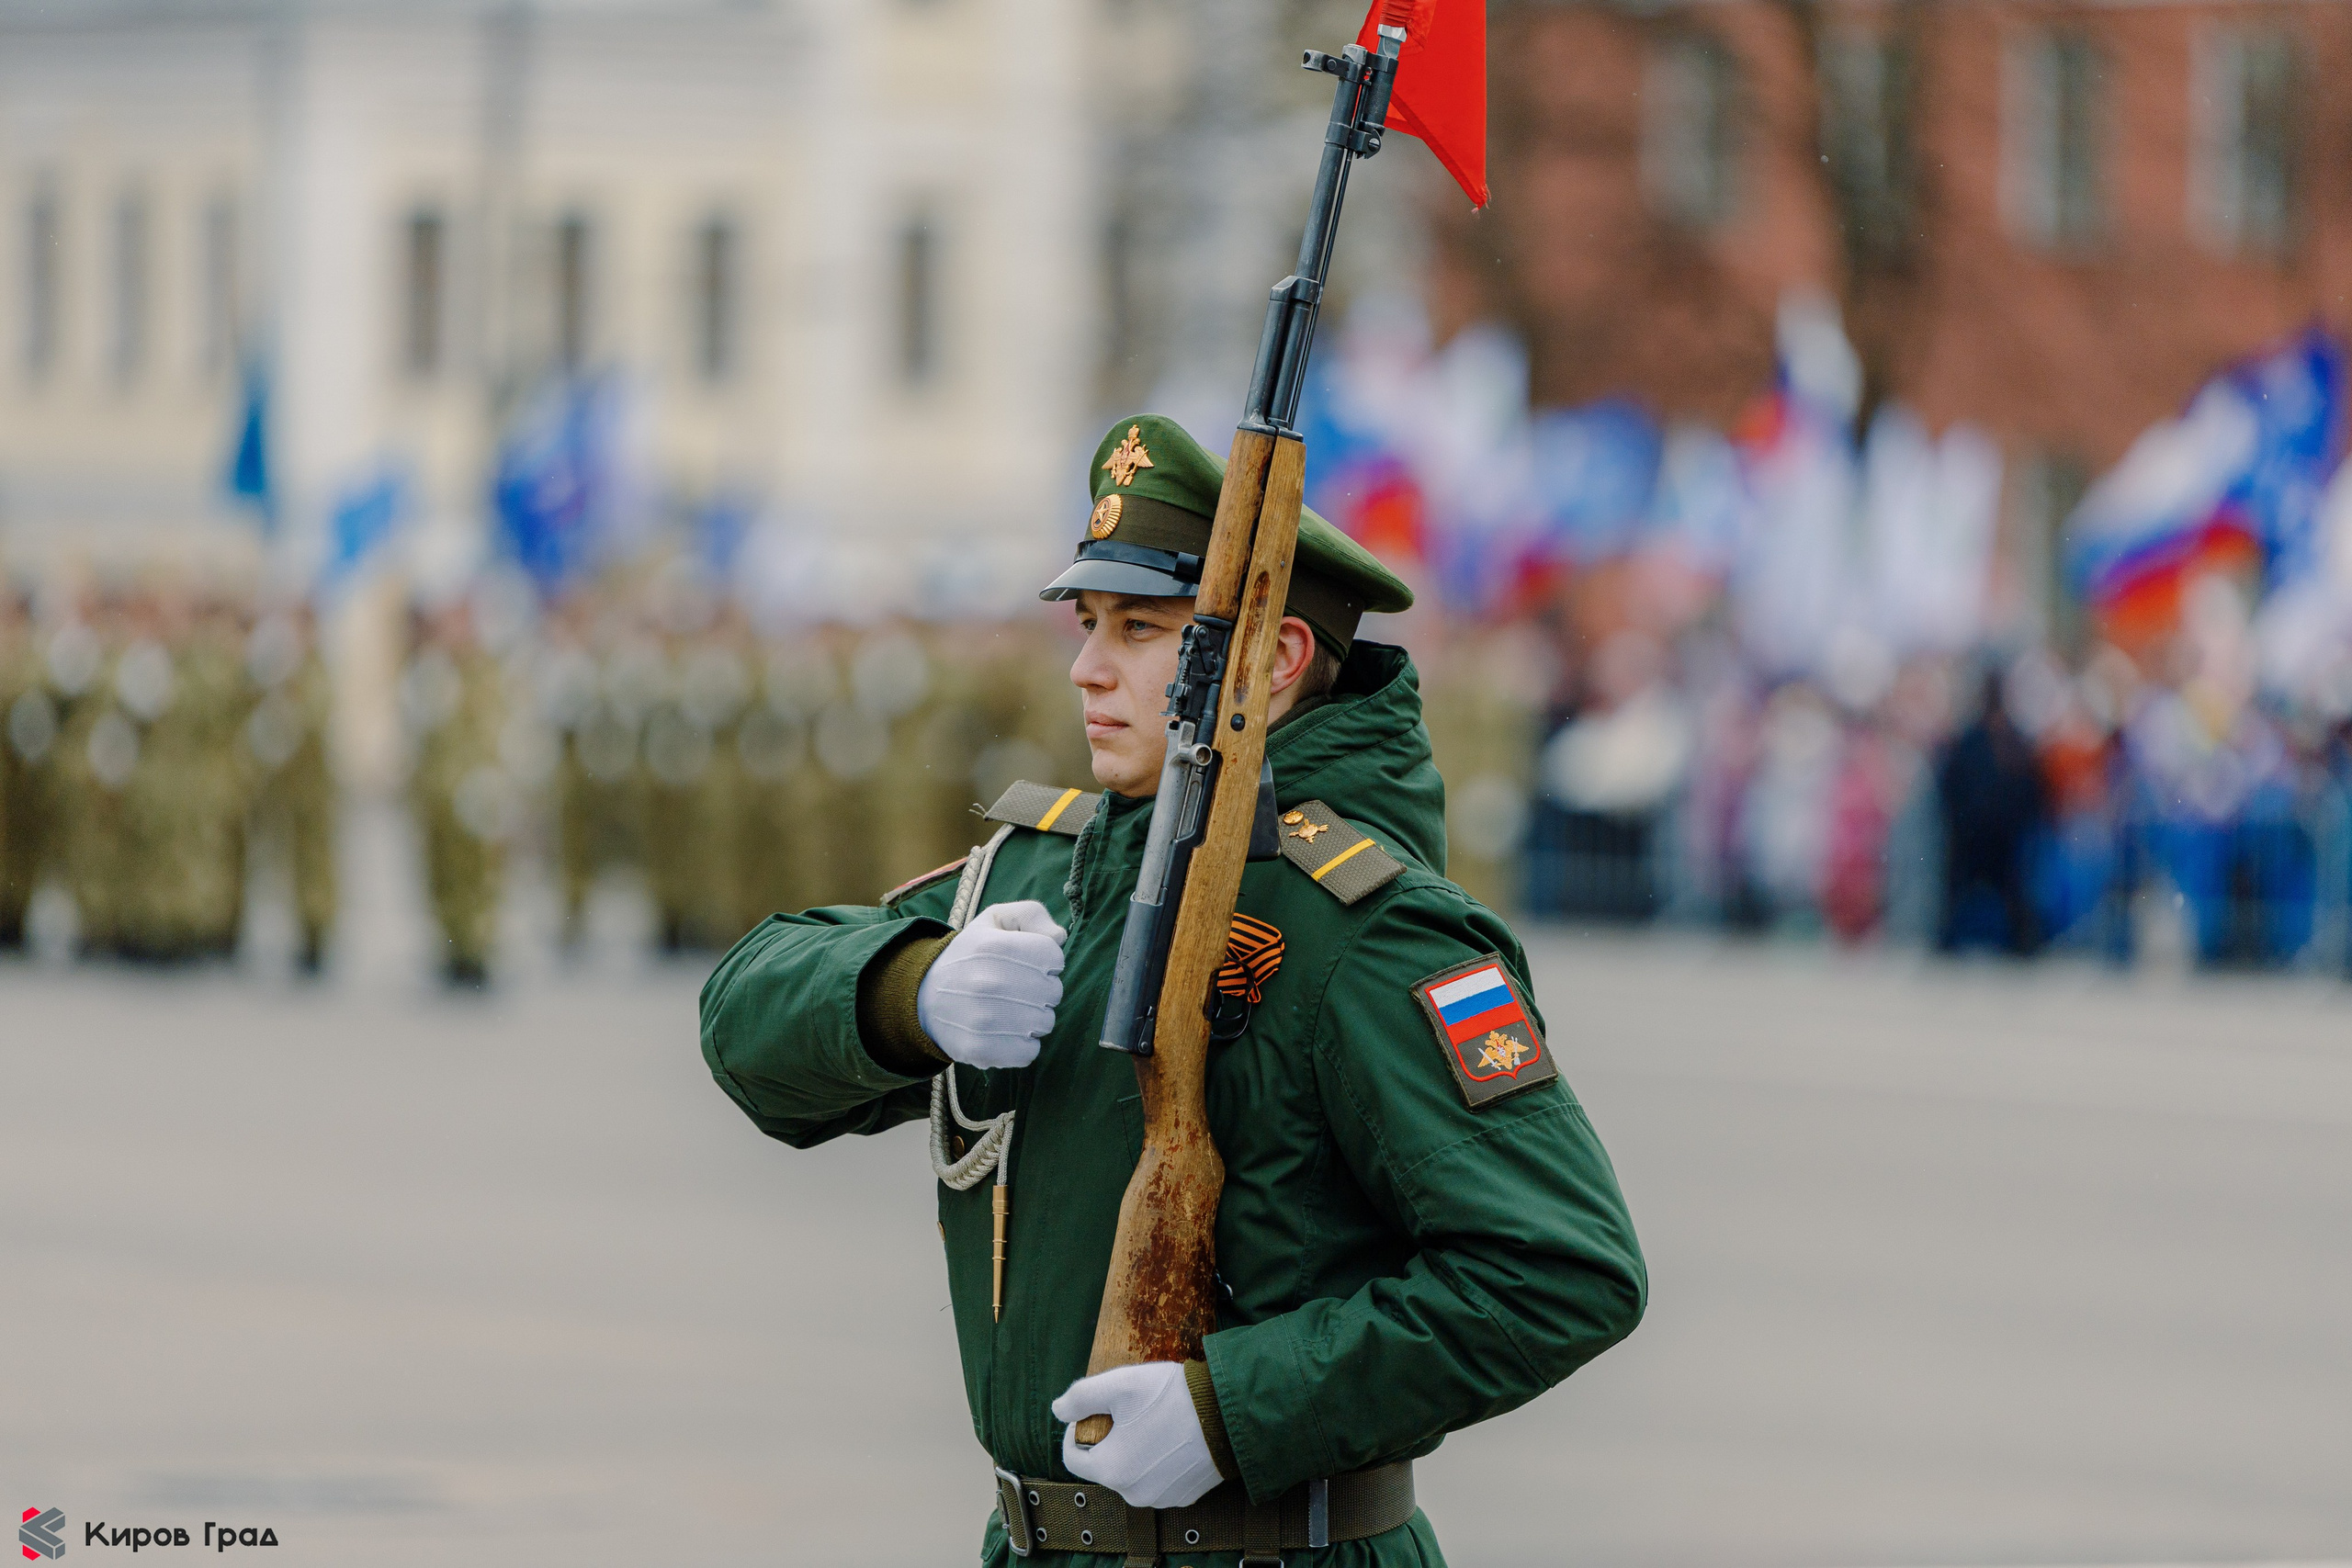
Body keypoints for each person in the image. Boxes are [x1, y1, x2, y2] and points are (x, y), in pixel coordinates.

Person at [699, 415, 1645, 1566]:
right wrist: (909, 992)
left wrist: (1236, 1411)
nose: (1085, 667)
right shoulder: (1057, 866)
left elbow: (1558, 1267)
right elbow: (744, 1017)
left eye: (1141, 630)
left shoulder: (1369, 929)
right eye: (1088, 624)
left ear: (1274, 660)